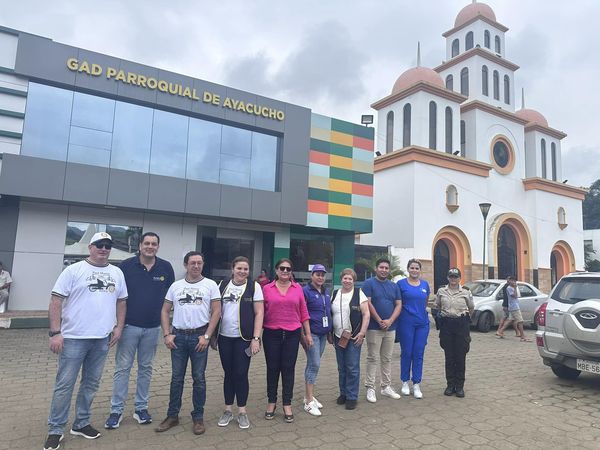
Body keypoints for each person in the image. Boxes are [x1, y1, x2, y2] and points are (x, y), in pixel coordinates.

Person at [43, 232, 128, 450]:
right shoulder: (73, 270)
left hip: (101, 339)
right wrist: (55, 332)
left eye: (107, 245)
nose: (104, 249)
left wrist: (119, 327)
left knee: (91, 384)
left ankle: (81, 423)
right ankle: (55, 430)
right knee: (65, 385)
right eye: (99, 245)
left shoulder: (117, 272)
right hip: (73, 338)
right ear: (90, 247)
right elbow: (55, 300)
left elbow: (121, 302)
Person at [105, 232, 175, 429]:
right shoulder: (126, 266)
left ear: (158, 247)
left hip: (153, 328)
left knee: (146, 368)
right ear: (140, 246)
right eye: (147, 243)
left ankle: (141, 409)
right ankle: (116, 411)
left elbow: (170, 298)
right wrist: (116, 325)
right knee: (122, 368)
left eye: (154, 244)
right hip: (128, 326)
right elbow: (116, 297)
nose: (150, 247)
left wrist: (168, 329)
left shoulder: (166, 267)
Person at [156, 251, 221, 435]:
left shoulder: (210, 285)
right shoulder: (176, 286)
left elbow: (216, 311)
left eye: (199, 263)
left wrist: (207, 336)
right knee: (176, 378)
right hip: (178, 338)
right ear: (186, 265)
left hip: (199, 338)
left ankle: (198, 417)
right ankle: (172, 416)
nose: (196, 266)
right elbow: (164, 310)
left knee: (199, 379)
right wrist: (167, 334)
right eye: (193, 263)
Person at [215, 256, 264, 430]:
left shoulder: (254, 287)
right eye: (239, 268)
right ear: (232, 269)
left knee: (241, 374)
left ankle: (242, 411)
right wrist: (211, 336)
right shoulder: (222, 285)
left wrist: (256, 338)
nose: (242, 272)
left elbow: (259, 313)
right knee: (228, 373)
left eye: (245, 269)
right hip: (224, 337)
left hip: (244, 339)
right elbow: (214, 311)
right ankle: (228, 410)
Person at [262, 258, 312, 423]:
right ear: (276, 270)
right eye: (282, 268)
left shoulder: (298, 289)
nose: (285, 271)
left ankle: (287, 404)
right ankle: (271, 402)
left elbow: (304, 313)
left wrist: (308, 334)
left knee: (288, 369)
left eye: (288, 269)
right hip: (271, 334)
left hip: (292, 334)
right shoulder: (266, 289)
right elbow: (260, 312)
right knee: (272, 369)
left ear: (291, 272)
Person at [362, 257, 402, 403]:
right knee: (372, 358)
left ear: (389, 270)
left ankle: (386, 387)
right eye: (381, 267)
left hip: (391, 328)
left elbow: (398, 304)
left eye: (386, 268)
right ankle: (370, 388)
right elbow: (368, 303)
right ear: (376, 268)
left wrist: (390, 321)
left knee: (387, 358)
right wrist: (379, 320)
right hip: (374, 327)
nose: (384, 270)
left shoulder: (394, 286)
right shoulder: (368, 283)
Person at [331, 268, 370, 410]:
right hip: (338, 337)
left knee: (352, 368)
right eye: (345, 278)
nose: (347, 281)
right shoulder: (335, 293)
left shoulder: (359, 293)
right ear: (341, 279)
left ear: (354, 281)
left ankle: (352, 396)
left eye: (350, 279)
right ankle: (343, 393)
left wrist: (362, 333)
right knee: (341, 367)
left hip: (354, 337)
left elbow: (366, 314)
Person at [434, 267, 474, 398]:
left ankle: (460, 386)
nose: (453, 279)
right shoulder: (441, 291)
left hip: (461, 325)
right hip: (447, 325)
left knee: (460, 356)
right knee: (449, 357)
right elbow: (438, 305)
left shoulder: (466, 292)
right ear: (448, 278)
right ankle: (450, 385)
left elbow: (471, 307)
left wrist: (464, 318)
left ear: (459, 278)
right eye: (451, 276)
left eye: (455, 277)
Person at [396, 259, 430, 399]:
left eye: (417, 268)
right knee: (407, 352)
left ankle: (416, 383)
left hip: (422, 324)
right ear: (408, 269)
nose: (414, 270)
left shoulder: (425, 284)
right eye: (412, 268)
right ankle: (405, 381)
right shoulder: (401, 284)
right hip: (406, 323)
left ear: (420, 270)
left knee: (418, 353)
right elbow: (397, 303)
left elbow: (425, 301)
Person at [301, 264, 332, 417]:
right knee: (315, 365)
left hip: (323, 334)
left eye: (322, 275)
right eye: (317, 274)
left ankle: (309, 396)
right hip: (311, 334)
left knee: (312, 364)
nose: (320, 277)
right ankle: (308, 402)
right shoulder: (305, 291)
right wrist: (305, 335)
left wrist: (330, 332)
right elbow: (302, 313)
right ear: (312, 275)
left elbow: (328, 312)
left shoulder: (326, 291)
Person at [496, 276, 530, 342]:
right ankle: (522, 336)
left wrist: (515, 288)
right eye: (512, 281)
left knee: (510, 320)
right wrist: (515, 288)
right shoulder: (509, 288)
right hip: (514, 307)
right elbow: (514, 296)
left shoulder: (511, 287)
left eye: (514, 281)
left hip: (513, 306)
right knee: (520, 321)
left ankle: (501, 331)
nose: (514, 282)